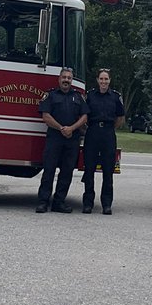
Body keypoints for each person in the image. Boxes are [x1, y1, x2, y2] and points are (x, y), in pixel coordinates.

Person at [36, 67, 88, 214]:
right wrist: (61, 128)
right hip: (54, 138)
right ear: (59, 79)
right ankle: (43, 202)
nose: (66, 80)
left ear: (72, 80)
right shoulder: (51, 95)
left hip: (72, 140)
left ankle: (59, 202)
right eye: (64, 77)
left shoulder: (78, 97)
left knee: (67, 172)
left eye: (69, 78)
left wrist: (71, 128)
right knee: (49, 170)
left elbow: (85, 116)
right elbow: (45, 116)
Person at [81, 68, 125, 215]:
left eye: (106, 79)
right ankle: (88, 203)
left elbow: (120, 117)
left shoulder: (115, 97)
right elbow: (83, 115)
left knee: (108, 170)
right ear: (97, 80)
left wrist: (109, 128)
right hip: (92, 132)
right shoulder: (90, 96)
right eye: (101, 79)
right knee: (89, 170)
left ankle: (106, 204)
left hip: (108, 134)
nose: (104, 81)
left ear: (109, 80)